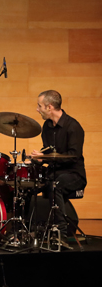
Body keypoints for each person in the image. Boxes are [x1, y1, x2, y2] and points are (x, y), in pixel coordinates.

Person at [30, 90, 87, 243]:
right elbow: (49, 151)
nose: (37, 109)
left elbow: (73, 156)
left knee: (55, 184)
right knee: (28, 184)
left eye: (39, 106)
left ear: (49, 107)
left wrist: (45, 157)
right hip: (54, 172)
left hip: (74, 175)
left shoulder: (73, 127)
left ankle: (61, 232)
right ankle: (24, 229)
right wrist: (37, 158)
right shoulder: (47, 126)